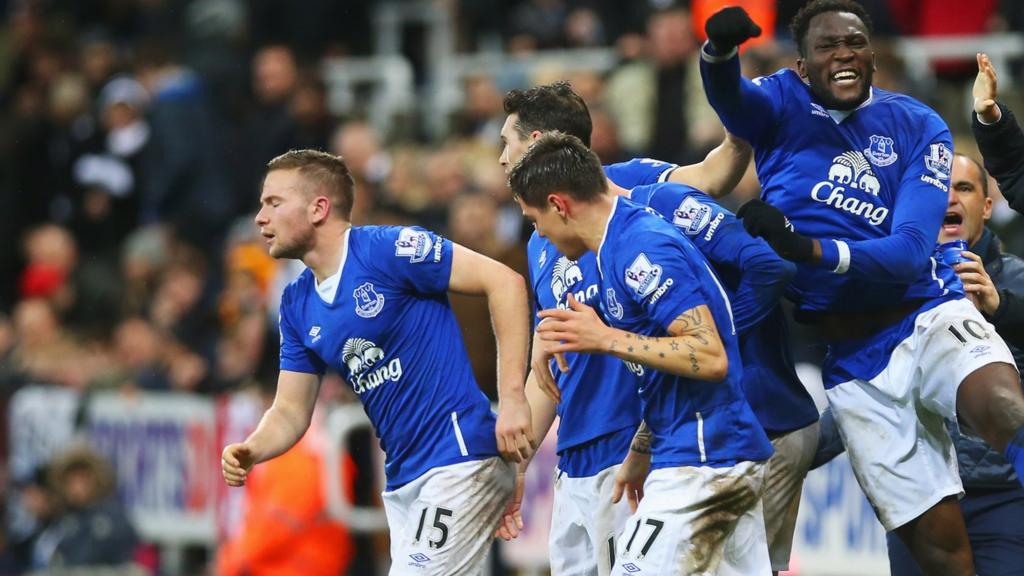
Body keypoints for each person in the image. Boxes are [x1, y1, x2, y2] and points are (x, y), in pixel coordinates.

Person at [699, 2, 1024, 573]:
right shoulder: (780, 102)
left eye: (854, 42)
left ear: (873, 55)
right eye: (826, 46)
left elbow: (907, 254)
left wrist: (807, 249)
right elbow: (732, 99)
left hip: (926, 314)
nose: (843, 53)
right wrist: (719, 53)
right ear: (803, 65)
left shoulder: (919, 125)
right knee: (945, 558)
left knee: (1005, 408)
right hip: (852, 365)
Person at [497, 80, 819, 576]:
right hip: (661, 449)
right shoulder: (592, 247)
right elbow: (655, 369)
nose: (535, 231)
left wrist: (604, 338)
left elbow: (710, 352)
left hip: (706, 454)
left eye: (536, 218)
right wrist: (641, 449)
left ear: (557, 201)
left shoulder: (644, 228)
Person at [220, 149, 535, 575]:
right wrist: (253, 447)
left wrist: (513, 397)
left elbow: (505, 282)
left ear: (318, 208)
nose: (260, 217)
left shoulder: (387, 249)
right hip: (404, 480)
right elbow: (291, 409)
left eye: (273, 202)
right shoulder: (295, 304)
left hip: (460, 459)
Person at [814, 153, 1024, 575]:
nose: (950, 198)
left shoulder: (1016, 283)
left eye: (964, 188)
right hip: (922, 499)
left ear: (986, 205)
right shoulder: (890, 291)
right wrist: (793, 450)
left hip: (1005, 499)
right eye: (938, 189)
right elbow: (870, 388)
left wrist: (999, 313)